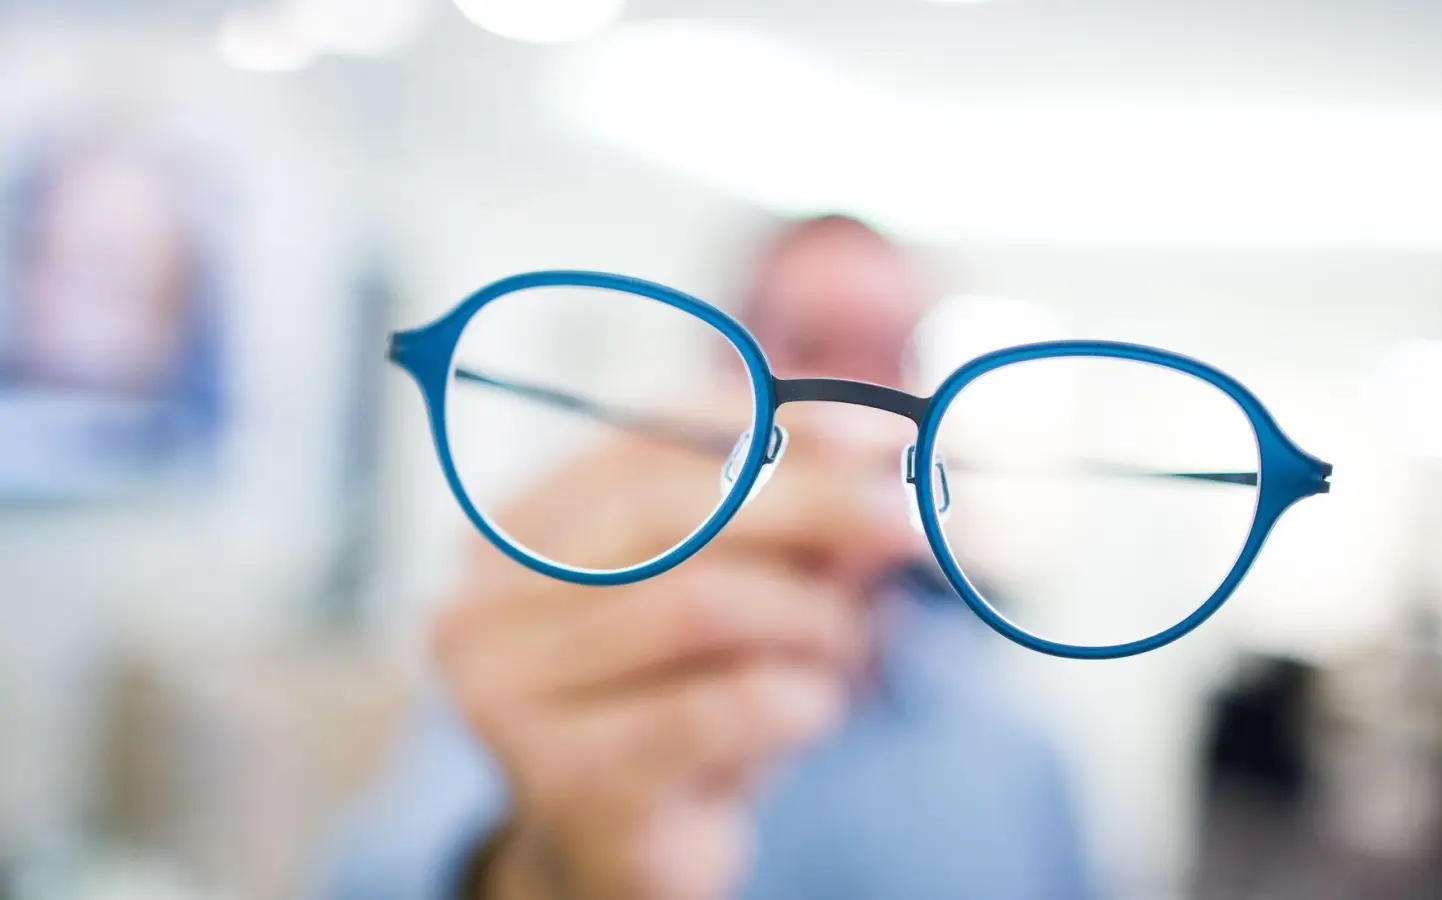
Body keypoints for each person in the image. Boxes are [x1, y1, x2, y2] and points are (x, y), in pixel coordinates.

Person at [323, 215, 1096, 900]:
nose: (851, 404)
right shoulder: (565, 653)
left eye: (887, 354)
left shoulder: (1015, 743)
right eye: (808, 345)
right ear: (718, 373)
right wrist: (549, 873)